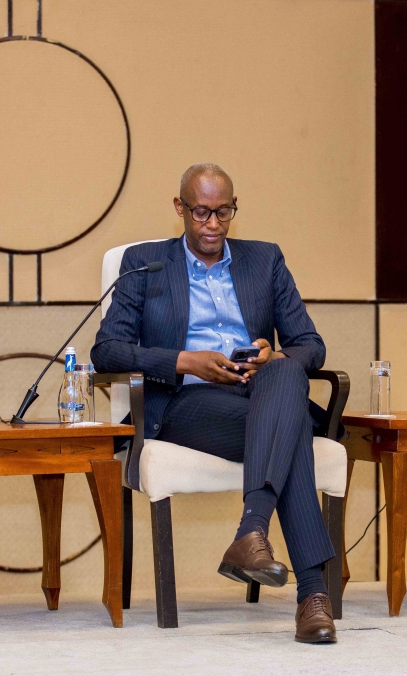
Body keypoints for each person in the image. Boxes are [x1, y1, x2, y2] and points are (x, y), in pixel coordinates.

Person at [92, 163, 337, 643]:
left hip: (259, 395)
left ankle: (252, 532)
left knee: (287, 372)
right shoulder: (145, 264)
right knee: (292, 430)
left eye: (223, 212)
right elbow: (107, 351)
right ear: (180, 207)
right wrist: (184, 361)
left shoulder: (264, 260)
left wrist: (272, 355)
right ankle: (312, 596)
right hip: (186, 404)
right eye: (201, 212)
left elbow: (312, 345)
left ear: (233, 209)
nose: (212, 224)